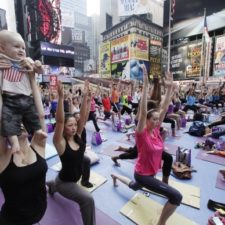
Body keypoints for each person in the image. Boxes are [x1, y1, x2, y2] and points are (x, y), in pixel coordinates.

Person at [111, 65, 182, 225]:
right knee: (176, 197)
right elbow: (143, 112)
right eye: (154, 119)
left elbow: (164, 108)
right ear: (147, 120)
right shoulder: (142, 134)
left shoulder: (156, 130)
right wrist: (144, 83)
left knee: (134, 187)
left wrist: (170, 88)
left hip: (148, 173)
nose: (158, 121)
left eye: (158, 119)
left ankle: (115, 176)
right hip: (143, 175)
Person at [0, 68, 48, 225]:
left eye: (22, 119)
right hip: (12, 220)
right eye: (14, 120)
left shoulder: (38, 144)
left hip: (39, 213)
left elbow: (40, 115)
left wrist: (32, 79)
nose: (19, 123)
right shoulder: (4, 155)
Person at [47, 81, 96, 225]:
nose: (74, 127)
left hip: (71, 177)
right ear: (64, 128)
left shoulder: (78, 136)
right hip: (66, 183)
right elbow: (60, 121)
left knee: (86, 160)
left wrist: (86, 97)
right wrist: (61, 98)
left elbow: (84, 116)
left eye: (75, 124)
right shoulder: (60, 143)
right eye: (70, 125)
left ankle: (52, 184)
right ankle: (54, 184)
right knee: (88, 199)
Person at [0, 30, 46, 153]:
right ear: (2, 49)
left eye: (23, 48)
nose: (21, 50)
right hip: (9, 98)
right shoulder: (2, 58)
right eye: (16, 46)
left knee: (33, 115)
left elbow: (40, 70)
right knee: (8, 120)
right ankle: (14, 143)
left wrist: (38, 66)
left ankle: (37, 130)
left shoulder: (27, 60)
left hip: (27, 97)